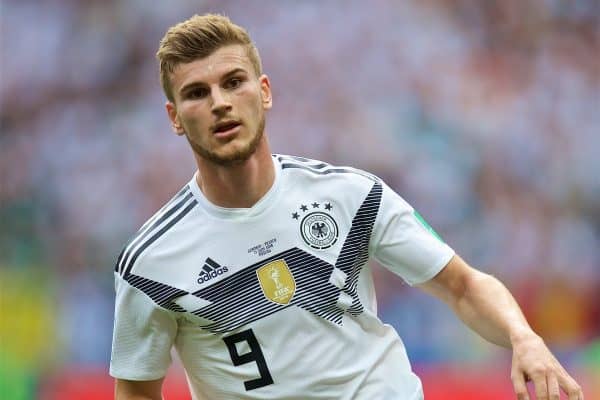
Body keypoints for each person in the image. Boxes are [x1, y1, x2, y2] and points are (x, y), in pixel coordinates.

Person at [109, 13, 584, 400]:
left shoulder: (349, 195)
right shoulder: (151, 261)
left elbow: (461, 285)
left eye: (234, 82)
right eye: (197, 93)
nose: (220, 103)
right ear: (174, 117)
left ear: (265, 91)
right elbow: (136, 389)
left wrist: (526, 339)